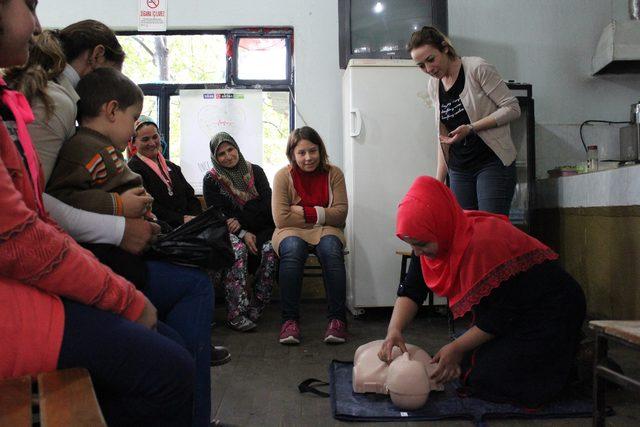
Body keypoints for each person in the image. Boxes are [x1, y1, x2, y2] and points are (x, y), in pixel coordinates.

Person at [0, 1, 194, 425]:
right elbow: (25, 231)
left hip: (34, 274)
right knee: (170, 366)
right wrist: (117, 226)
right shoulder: (59, 107)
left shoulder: (30, 105)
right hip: (19, 290)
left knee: (168, 348)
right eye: (28, 6)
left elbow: (34, 210)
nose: (37, 23)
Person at [45, 67, 215, 427]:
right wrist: (119, 209)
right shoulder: (85, 149)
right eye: (133, 119)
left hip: (127, 255)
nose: (135, 133)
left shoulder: (102, 149)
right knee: (184, 327)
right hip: (110, 264)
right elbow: (62, 198)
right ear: (110, 111)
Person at [379, 176, 586, 407]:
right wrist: (393, 330)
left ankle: (575, 361)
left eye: (422, 245)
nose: (417, 253)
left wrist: (457, 347)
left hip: (551, 308)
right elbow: (411, 291)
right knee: (463, 365)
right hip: (513, 311)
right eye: (412, 245)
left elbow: (502, 313)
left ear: (439, 226)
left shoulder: (481, 243)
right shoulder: (429, 240)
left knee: (484, 376)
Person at [5, 20, 156, 256]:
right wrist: (118, 227)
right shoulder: (57, 101)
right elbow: (30, 198)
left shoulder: (61, 96)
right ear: (97, 55)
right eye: (110, 75)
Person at [408, 26, 520, 216]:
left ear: (444, 48)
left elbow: (512, 108)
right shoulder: (433, 85)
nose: (428, 69)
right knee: (465, 232)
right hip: (459, 169)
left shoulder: (477, 68)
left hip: (491, 162)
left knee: (489, 231)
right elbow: (442, 137)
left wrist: (471, 128)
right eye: (421, 66)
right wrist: (438, 182)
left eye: (430, 60)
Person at [272, 126, 349, 345]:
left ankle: (337, 320)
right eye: (302, 153)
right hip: (290, 231)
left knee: (332, 250)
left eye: (313, 151)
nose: (308, 158)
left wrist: (303, 211)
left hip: (327, 230)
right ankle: (289, 322)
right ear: (292, 155)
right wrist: (323, 213)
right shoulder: (281, 176)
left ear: (320, 150)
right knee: (293, 250)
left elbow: (341, 214)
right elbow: (281, 219)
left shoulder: (334, 173)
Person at [203, 132, 277, 329]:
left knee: (271, 249)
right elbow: (219, 215)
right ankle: (237, 312)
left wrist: (240, 219)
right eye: (221, 154)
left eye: (230, 149)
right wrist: (242, 231)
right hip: (232, 234)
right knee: (238, 250)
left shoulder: (256, 172)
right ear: (214, 158)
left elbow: (267, 207)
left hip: (262, 229)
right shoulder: (212, 180)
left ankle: (257, 306)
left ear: (237, 148)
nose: (228, 156)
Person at [128, 115, 203, 228]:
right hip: (162, 231)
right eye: (145, 139)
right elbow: (148, 205)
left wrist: (195, 218)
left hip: (190, 226)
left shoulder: (172, 167)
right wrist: (180, 220)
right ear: (133, 142)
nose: (152, 143)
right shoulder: (132, 170)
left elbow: (190, 195)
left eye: (155, 137)